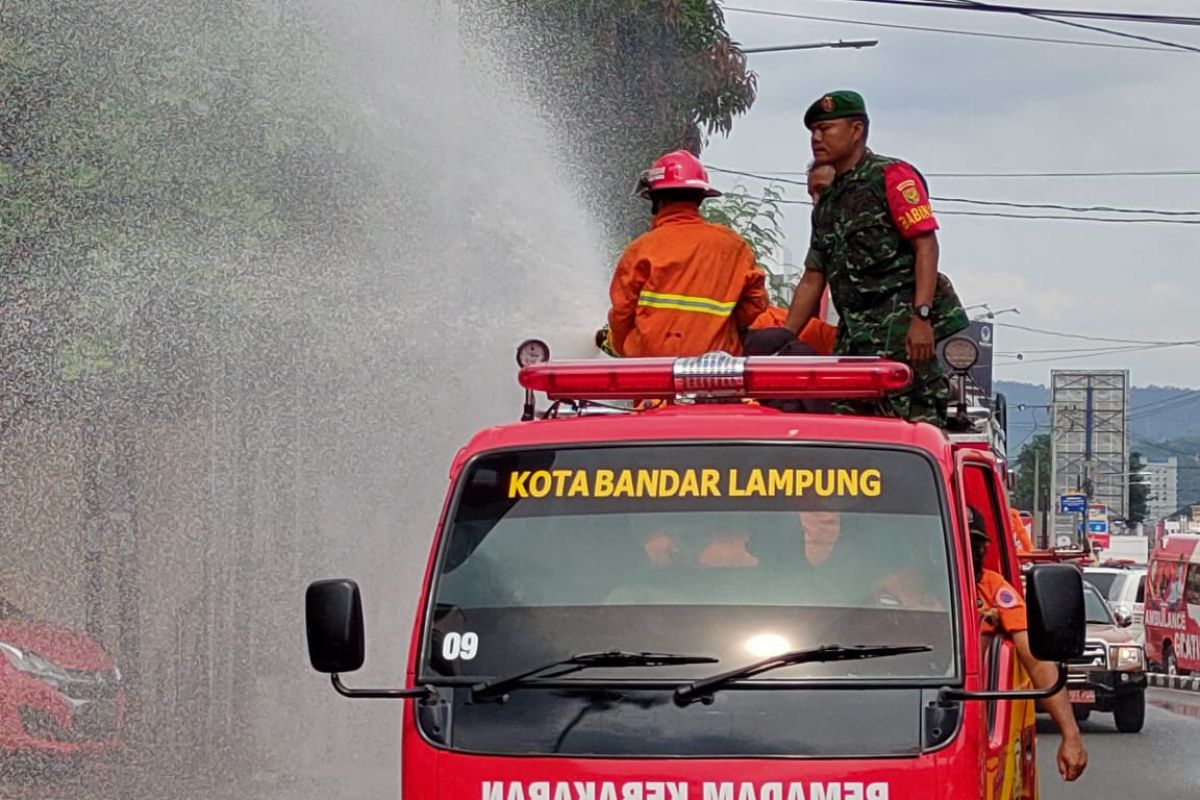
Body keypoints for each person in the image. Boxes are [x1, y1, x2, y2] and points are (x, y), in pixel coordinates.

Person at [782, 90, 969, 426]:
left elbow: (926, 246)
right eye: (813, 132)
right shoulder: (828, 201)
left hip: (902, 341)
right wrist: (782, 340)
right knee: (848, 436)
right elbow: (813, 277)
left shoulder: (891, 177)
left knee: (913, 432)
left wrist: (921, 317)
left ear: (857, 130)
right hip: (854, 344)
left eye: (826, 128)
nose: (816, 138)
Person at [606, 150, 769, 358]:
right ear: (700, 197)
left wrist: (623, 347)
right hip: (715, 371)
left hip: (650, 372)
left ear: (656, 199)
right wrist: (717, 326)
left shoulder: (641, 250)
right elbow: (756, 303)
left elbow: (621, 314)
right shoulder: (734, 247)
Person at [968, 507, 1088, 782]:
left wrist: (1071, 734)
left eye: (975, 543)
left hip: (967, 721)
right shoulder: (904, 586)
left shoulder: (994, 589)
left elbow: (1037, 657)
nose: (968, 551)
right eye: (961, 541)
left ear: (985, 546)